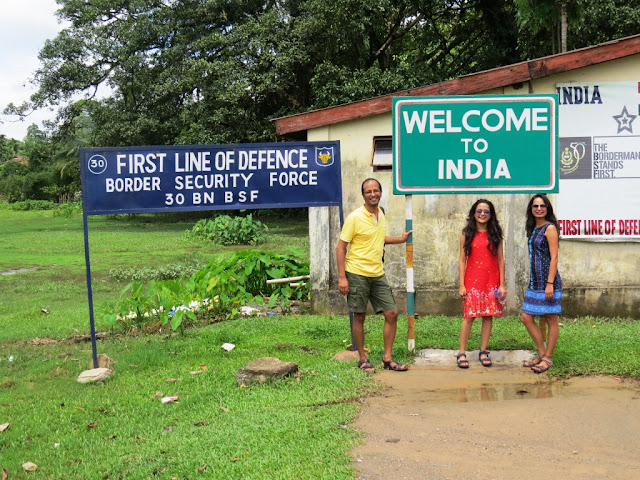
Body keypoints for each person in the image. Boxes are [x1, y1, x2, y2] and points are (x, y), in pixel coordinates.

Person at [336, 178, 412, 373]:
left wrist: (400, 239)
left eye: (376, 191)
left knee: (392, 313)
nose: (373, 194)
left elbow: (380, 238)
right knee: (359, 316)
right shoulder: (355, 217)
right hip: (356, 273)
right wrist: (342, 277)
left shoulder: (380, 215)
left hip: (377, 273)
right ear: (363, 195)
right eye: (368, 191)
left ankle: (387, 358)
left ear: (380, 192)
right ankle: (362, 358)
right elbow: (341, 246)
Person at [456, 199, 506, 368]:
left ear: (491, 215)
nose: (482, 214)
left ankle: (483, 351)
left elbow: (501, 260)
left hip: (491, 281)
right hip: (472, 281)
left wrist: (502, 285)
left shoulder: (496, 235)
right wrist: (462, 284)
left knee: (487, 316)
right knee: (469, 317)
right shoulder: (466, 234)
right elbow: (462, 260)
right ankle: (461, 352)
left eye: (486, 211)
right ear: (474, 213)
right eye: (479, 211)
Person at [521, 194, 562, 374]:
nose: (539, 209)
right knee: (526, 317)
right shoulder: (534, 228)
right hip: (534, 282)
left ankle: (548, 358)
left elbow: (554, 257)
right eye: (535, 206)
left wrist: (550, 283)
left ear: (547, 208)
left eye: (542, 206)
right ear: (531, 209)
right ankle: (541, 352)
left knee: (551, 318)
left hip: (548, 282)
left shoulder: (550, 228)